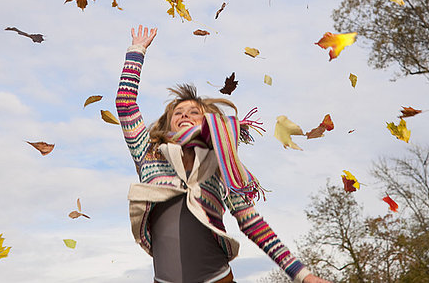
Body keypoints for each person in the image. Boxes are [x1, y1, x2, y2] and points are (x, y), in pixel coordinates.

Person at [116, 25, 332, 283]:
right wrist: (137, 51)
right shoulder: (149, 154)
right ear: (168, 123)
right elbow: (125, 104)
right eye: (179, 112)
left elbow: (255, 226)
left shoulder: (221, 167)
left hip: (218, 278)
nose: (185, 114)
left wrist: (304, 276)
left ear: (208, 122)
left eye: (194, 112)